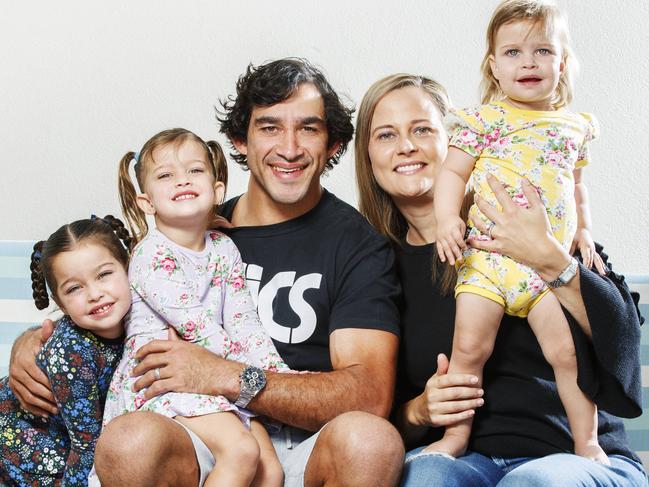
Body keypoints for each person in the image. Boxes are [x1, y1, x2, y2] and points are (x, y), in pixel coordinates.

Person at [8, 58, 404, 487]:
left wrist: (227, 374)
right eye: (270, 127)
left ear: (333, 145)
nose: (289, 148)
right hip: (193, 427)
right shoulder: (189, 225)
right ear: (240, 141)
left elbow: (369, 395)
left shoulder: (357, 246)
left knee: (371, 441)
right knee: (129, 440)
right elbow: (102, 288)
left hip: (299, 441)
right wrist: (34, 342)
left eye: (308, 128)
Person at [355, 72, 647, 486]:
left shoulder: (522, 217)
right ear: (367, 156)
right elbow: (377, 414)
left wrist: (548, 258)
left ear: (459, 140)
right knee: (427, 478)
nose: (406, 146)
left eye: (423, 129)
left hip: (573, 458)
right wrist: (418, 410)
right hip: (467, 461)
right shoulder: (374, 269)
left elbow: (624, 339)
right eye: (386, 135)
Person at [432, 0, 607, 461]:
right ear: (493, 65)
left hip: (543, 268)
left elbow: (576, 188)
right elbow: (451, 175)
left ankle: (586, 442)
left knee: (566, 355)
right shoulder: (484, 121)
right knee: (468, 350)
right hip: (486, 260)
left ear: (563, 62)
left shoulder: (574, 127)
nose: (527, 61)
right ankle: (455, 437)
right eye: (512, 52)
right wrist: (448, 219)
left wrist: (584, 231)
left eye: (542, 50)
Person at [94, 128, 290, 487]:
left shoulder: (223, 248)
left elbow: (243, 321)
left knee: (271, 472)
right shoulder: (151, 255)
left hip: (216, 374)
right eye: (166, 175)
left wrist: (279, 374)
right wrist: (248, 373)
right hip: (166, 379)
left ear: (217, 190)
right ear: (147, 203)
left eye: (194, 170)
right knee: (242, 452)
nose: (182, 180)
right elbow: (199, 328)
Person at [0, 216, 131, 486]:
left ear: (128, 268)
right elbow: (86, 448)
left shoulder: (142, 316)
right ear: (60, 303)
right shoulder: (72, 351)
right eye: (74, 288)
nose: (95, 294)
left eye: (104, 274)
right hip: (26, 437)